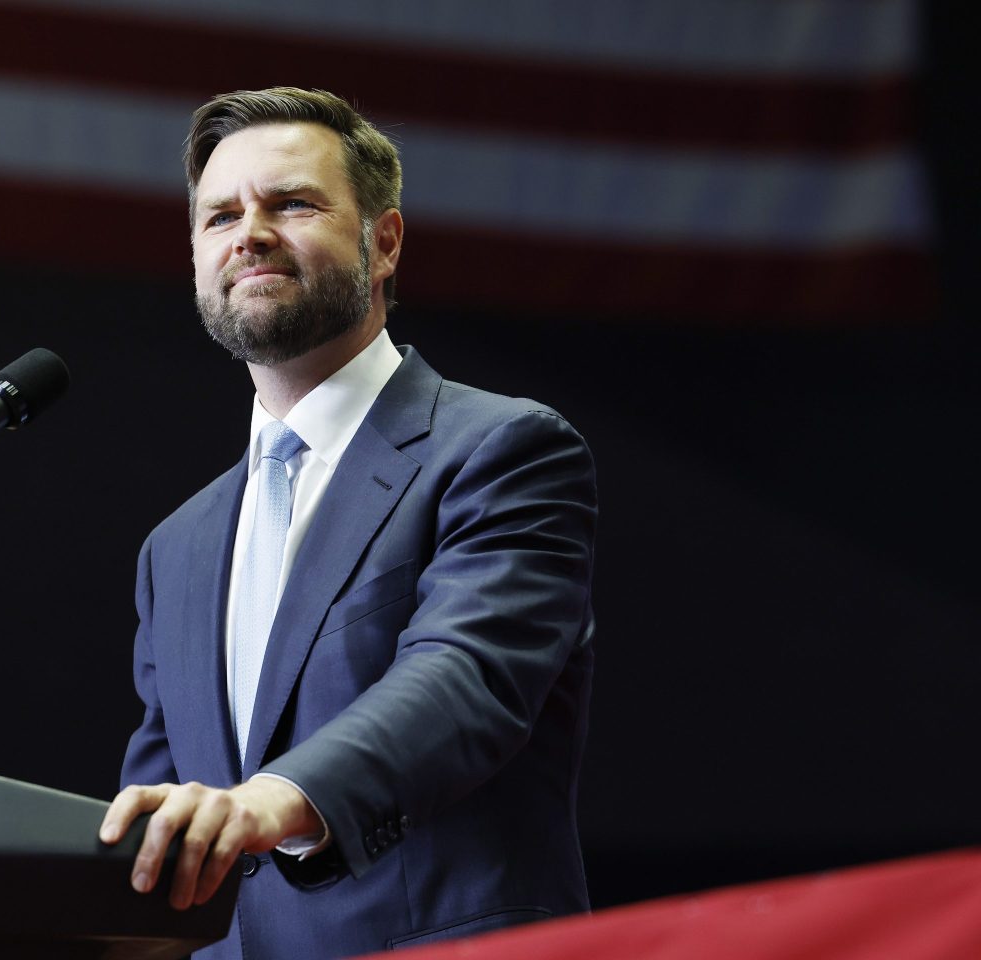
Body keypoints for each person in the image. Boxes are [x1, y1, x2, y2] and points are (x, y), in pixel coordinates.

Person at [99, 87, 597, 960]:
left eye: (290, 204)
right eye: (219, 215)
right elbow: (160, 824)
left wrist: (267, 800)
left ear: (385, 243)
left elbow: (464, 678)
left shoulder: (502, 450)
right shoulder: (173, 549)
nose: (248, 232)